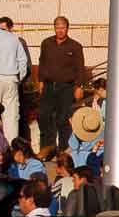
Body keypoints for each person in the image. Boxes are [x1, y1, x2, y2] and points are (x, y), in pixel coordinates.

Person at [31, 17, 83, 149]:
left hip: (66, 88)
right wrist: (40, 81)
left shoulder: (75, 46)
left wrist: (78, 87)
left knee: (63, 119)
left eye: (63, 27)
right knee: (43, 116)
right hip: (48, 86)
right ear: (54, 28)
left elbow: (80, 68)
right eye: (57, 27)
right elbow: (42, 63)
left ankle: (63, 150)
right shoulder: (46, 43)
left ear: (67, 28)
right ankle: (47, 148)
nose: (60, 30)